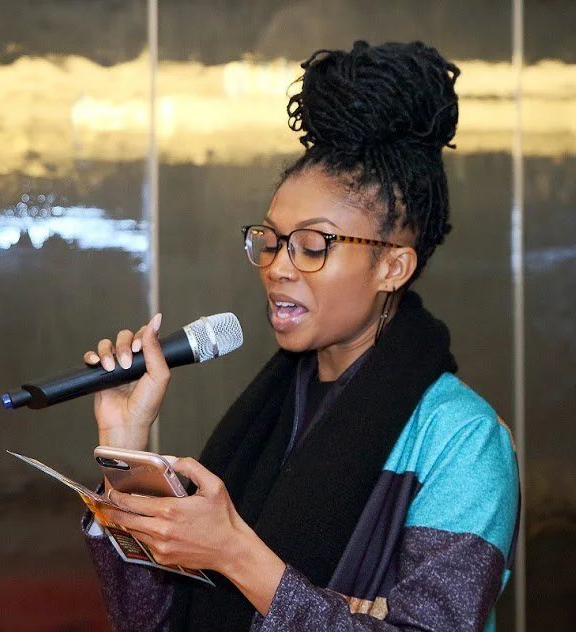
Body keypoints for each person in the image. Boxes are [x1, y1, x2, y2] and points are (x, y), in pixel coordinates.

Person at [81, 40, 520, 632]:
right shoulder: (268, 412)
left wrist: (238, 554)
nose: (278, 267)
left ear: (393, 266)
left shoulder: (461, 439)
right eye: (271, 241)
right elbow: (148, 622)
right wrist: (125, 451)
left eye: (312, 246)